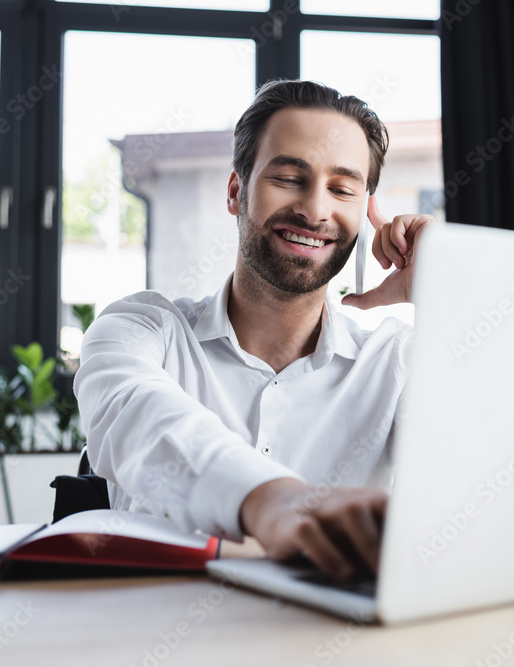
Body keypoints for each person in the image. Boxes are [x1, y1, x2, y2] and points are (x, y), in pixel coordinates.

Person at [74, 79, 436, 580]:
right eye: (289, 178)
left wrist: (454, 296)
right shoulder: (140, 329)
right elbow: (142, 421)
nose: (315, 210)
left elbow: (493, 474)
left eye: (342, 189)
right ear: (235, 190)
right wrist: (273, 502)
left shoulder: (399, 359)